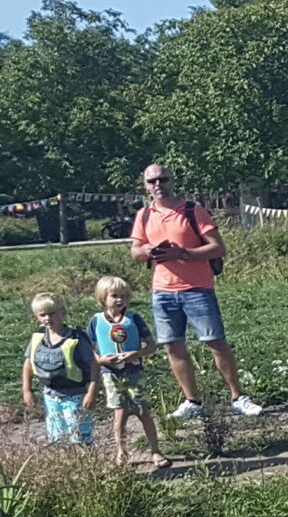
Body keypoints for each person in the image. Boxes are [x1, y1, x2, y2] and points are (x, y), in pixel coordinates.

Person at [129, 163, 259, 418]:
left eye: (162, 179)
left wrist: (183, 253)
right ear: (145, 185)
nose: (158, 185)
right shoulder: (144, 215)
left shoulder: (193, 211)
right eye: (152, 181)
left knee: (215, 342)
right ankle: (192, 402)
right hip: (162, 290)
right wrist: (146, 251)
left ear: (172, 181)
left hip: (197, 288)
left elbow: (218, 248)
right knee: (172, 346)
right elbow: (135, 251)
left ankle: (238, 397)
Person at [90, 276, 169, 469]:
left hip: (134, 371)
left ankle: (155, 450)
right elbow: (89, 348)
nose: (120, 300)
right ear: (103, 298)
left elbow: (152, 345)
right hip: (110, 373)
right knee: (120, 412)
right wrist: (100, 359)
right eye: (114, 295)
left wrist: (136, 353)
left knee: (142, 410)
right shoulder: (96, 321)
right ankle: (121, 451)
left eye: (124, 296)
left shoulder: (133, 318)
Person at [22, 294, 97, 447]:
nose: (47, 318)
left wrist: (92, 392)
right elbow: (28, 364)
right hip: (50, 395)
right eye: (42, 315)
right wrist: (27, 390)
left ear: (63, 313)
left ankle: (86, 468)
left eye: (52, 313)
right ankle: (67, 468)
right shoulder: (38, 338)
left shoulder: (76, 338)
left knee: (80, 437)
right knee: (57, 438)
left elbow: (94, 365)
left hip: (75, 396)